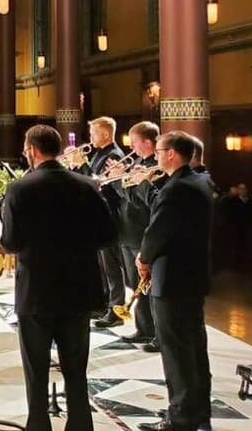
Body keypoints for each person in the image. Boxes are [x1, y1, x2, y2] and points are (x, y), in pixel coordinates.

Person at [0, 125, 116, 431]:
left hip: (37, 290)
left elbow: (10, 243)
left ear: (32, 150)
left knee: (36, 368)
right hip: (78, 289)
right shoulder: (87, 185)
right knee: (76, 367)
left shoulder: (20, 189)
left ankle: (38, 424)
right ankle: (80, 424)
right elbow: (107, 236)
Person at [135, 132, 213, 431]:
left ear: (171, 154)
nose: (154, 156)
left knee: (176, 351)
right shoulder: (199, 181)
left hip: (172, 280)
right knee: (194, 347)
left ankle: (180, 417)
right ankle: (197, 411)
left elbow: (157, 231)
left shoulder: (176, 189)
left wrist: (143, 259)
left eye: (158, 151)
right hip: (193, 277)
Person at [96, 121, 159, 352]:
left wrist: (122, 180)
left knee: (145, 286)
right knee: (135, 284)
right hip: (126, 230)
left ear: (147, 142)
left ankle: (151, 330)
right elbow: (124, 196)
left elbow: (137, 199)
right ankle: (144, 329)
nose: (131, 146)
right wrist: (116, 179)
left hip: (139, 231)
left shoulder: (154, 167)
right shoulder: (140, 163)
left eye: (134, 141)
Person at [83, 117, 127, 322]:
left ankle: (116, 308)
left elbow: (96, 183)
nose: (90, 137)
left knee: (111, 265)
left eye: (94, 133)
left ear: (106, 134)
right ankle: (102, 304)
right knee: (100, 265)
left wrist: (80, 166)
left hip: (109, 216)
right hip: (96, 215)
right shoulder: (99, 154)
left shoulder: (115, 156)